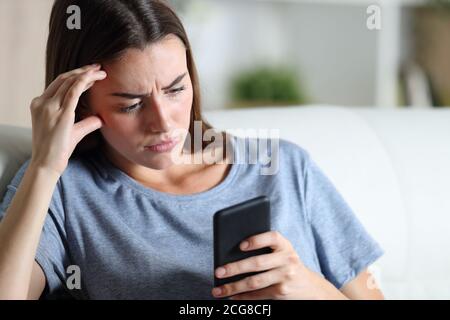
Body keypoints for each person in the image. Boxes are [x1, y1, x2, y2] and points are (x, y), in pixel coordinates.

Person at [0, 0, 384, 300]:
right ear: (80, 104)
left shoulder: (282, 166)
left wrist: (311, 289)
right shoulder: (64, 190)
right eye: (131, 104)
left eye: (176, 89)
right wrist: (45, 168)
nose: (164, 123)